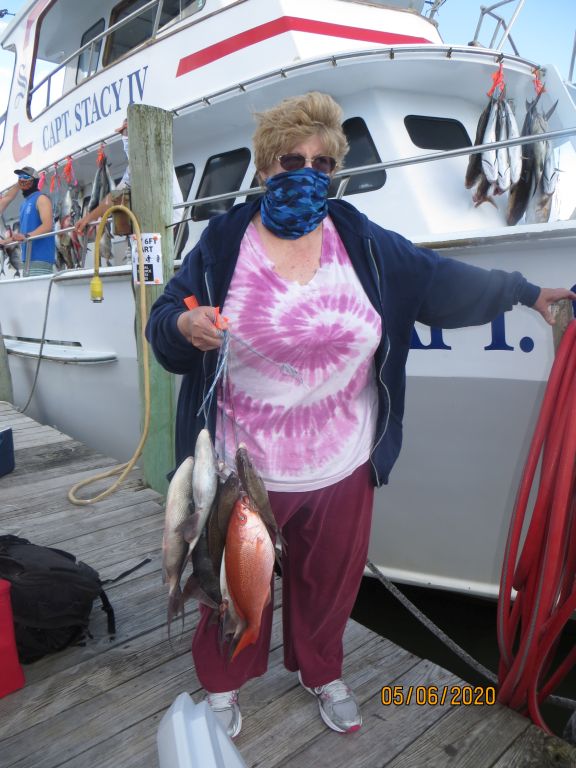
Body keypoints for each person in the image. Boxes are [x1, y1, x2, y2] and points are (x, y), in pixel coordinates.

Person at [145, 92, 576, 738]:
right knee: (233, 584)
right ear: (266, 167)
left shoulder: (361, 240)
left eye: (323, 163)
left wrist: (526, 294)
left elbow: (438, 282)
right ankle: (225, 684)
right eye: (292, 160)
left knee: (330, 587)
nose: (307, 173)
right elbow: (163, 329)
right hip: (244, 473)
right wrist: (184, 323)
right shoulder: (224, 242)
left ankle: (321, 670)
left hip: (343, 463)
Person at [0, 169, 55, 276]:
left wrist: (26, 236)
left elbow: (48, 226)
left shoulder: (41, 198)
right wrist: (7, 241)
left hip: (41, 259)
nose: (22, 180)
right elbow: (23, 235)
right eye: (19, 178)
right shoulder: (23, 204)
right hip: (26, 261)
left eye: (25, 177)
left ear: (34, 180)